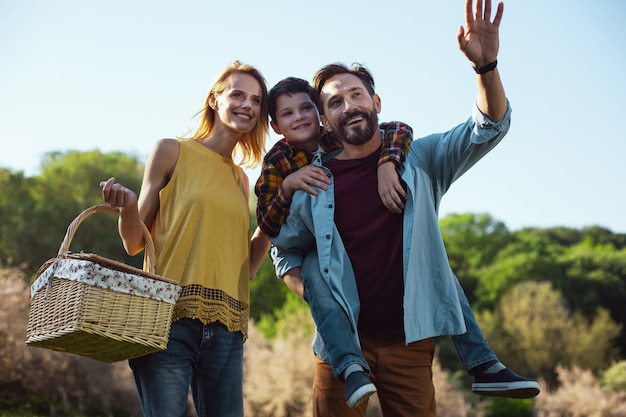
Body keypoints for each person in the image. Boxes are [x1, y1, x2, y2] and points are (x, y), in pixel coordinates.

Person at [269, 1, 539, 415]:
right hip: (341, 348)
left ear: (376, 101)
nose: (349, 105)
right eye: (335, 102)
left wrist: (486, 69)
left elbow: (488, 127)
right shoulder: (313, 181)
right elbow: (283, 247)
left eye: (356, 94)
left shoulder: (420, 160)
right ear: (324, 119)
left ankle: (484, 366)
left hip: (409, 343)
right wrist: (316, 296)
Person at [100, 60, 269, 417]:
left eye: (256, 100)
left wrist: (274, 217)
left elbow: (248, 268)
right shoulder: (171, 151)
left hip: (227, 326)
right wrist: (129, 207)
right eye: (238, 94)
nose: (248, 106)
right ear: (214, 99)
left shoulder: (241, 179)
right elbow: (133, 242)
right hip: (167, 319)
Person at [253, 76, 413, 407]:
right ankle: (349, 366)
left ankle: (478, 358)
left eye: (306, 108)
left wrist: (387, 162)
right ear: (276, 125)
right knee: (318, 278)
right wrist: (288, 186)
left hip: (342, 247)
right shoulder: (278, 161)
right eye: (287, 114)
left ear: (320, 113)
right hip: (302, 250)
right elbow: (267, 223)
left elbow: (398, 129)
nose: (299, 117)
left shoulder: (338, 139)